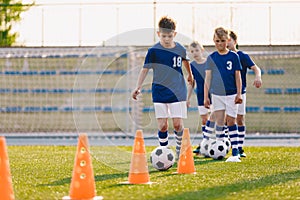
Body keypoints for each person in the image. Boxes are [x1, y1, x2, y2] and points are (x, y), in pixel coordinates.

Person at [132, 16, 194, 159]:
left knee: (178, 124)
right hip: (159, 91)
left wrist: (190, 75)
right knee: (162, 125)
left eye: (170, 36)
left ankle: (179, 150)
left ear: (175, 34)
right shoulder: (154, 51)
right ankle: (164, 153)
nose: (167, 39)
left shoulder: (180, 48)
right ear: (158, 34)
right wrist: (138, 86)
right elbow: (145, 69)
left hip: (178, 91)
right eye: (164, 35)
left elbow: (186, 62)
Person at [204, 27, 243, 162]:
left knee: (231, 121)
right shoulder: (211, 58)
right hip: (217, 94)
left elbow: (238, 77)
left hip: (232, 94)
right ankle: (220, 146)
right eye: (216, 41)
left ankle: (236, 150)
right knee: (219, 121)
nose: (219, 44)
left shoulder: (234, 57)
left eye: (222, 41)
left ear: (227, 41)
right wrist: (206, 97)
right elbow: (207, 78)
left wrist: (239, 93)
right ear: (213, 41)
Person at [227, 30, 262, 157]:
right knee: (227, 120)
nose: (226, 43)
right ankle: (227, 145)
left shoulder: (242, 56)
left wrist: (258, 77)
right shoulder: (222, 57)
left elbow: (256, 68)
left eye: (228, 40)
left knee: (240, 119)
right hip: (226, 93)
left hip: (240, 93)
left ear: (235, 41)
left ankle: (240, 147)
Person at [187, 41, 215, 155]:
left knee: (216, 119)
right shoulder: (192, 66)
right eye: (192, 51)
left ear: (202, 50)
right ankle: (206, 143)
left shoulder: (209, 62)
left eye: (197, 50)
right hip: (200, 95)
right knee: (204, 120)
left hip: (212, 94)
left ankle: (219, 141)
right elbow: (191, 83)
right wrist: (187, 98)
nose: (195, 53)